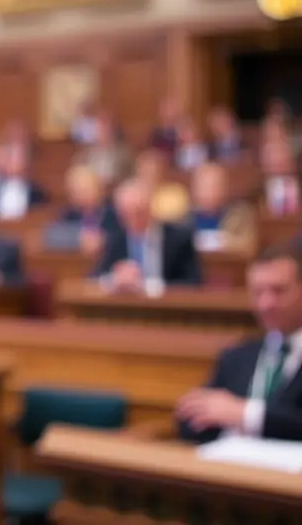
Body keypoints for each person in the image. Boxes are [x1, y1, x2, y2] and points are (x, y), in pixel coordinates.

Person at [177, 245, 302, 443]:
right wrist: (194, 410)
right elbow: (189, 425)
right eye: (258, 293)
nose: (266, 304)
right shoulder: (236, 356)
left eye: (278, 291)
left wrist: (245, 414)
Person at [91, 180, 202, 290]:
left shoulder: (178, 238)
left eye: (138, 212)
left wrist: (146, 285)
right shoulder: (116, 239)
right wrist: (115, 279)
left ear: (149, 208)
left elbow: (193, 283)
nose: (132, 219)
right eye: (126, 214)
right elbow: (94, 278)